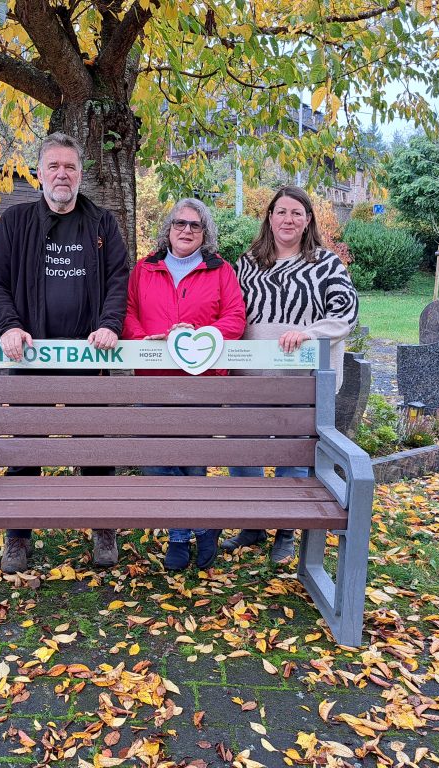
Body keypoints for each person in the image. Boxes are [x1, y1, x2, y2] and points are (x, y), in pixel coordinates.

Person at [0, 132, 130, 574]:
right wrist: (9, 327)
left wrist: (108, 324)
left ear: (80, 174)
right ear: (40, 173)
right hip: (31, 360)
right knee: (26, 448)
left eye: (70, 167)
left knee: (93, 447)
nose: (62, 174)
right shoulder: (16, 222)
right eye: (54, 166)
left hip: (89, 359)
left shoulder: (102, 223)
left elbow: (119, 280)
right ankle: (18, 537)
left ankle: (102, 528)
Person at [224, 185, 359, 563]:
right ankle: (252, 523)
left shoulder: (326, 263)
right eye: (281, 212)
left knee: (293, 453)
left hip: (299, 378)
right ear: (270, 217)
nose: (288, 219)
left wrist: (309, 332)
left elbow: (346, 314)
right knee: (245, 452)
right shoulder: (247, 262)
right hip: (250, 374)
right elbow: (230, 310)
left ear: (308, 220)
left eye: (297, 213)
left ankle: (286, 528)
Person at [122, 198, 246, 570]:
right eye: (180, 223)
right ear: (169, 228)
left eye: (195, 225)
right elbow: (128, 313)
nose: (187, 230)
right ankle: (187, 530)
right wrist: (147, 340)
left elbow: (235, 317)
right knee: (155, 456)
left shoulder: (220, 270)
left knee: (193, 459)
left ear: (205, 232)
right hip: (154, 379)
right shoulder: (145, 268)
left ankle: (197, 532)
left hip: (202, 380)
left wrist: (200, 337)